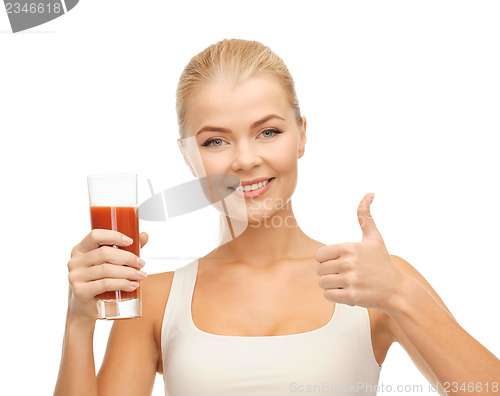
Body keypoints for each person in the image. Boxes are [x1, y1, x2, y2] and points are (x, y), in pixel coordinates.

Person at [54, 38, 500, 396]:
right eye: (215, 141)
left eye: (268, 132)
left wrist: (402, 295)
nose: (246, 160)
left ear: (302, 135)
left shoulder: (375, 281)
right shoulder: (154, 299)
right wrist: (78, 322)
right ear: (187, 157)